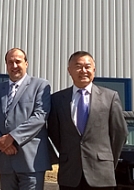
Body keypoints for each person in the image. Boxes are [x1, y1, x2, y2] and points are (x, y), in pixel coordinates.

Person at [48, 51, 128, 190]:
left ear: (94, 70)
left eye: (87, 66)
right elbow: (54, 133)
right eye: (78, 66)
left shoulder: (110, 97)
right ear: (69, 70)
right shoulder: (57, 99)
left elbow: (119, 134)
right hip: (70, 174)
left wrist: (107, 160)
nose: (83, 71)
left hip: (101, 174)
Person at [0, 47, 52, 190]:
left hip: (31, 161)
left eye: (18, 61)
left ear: (26, 63)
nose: (14, 65)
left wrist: (12, 138)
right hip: (6, 159)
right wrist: (1, 142)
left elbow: (40, 116)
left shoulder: (40, 86)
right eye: (10, 62)